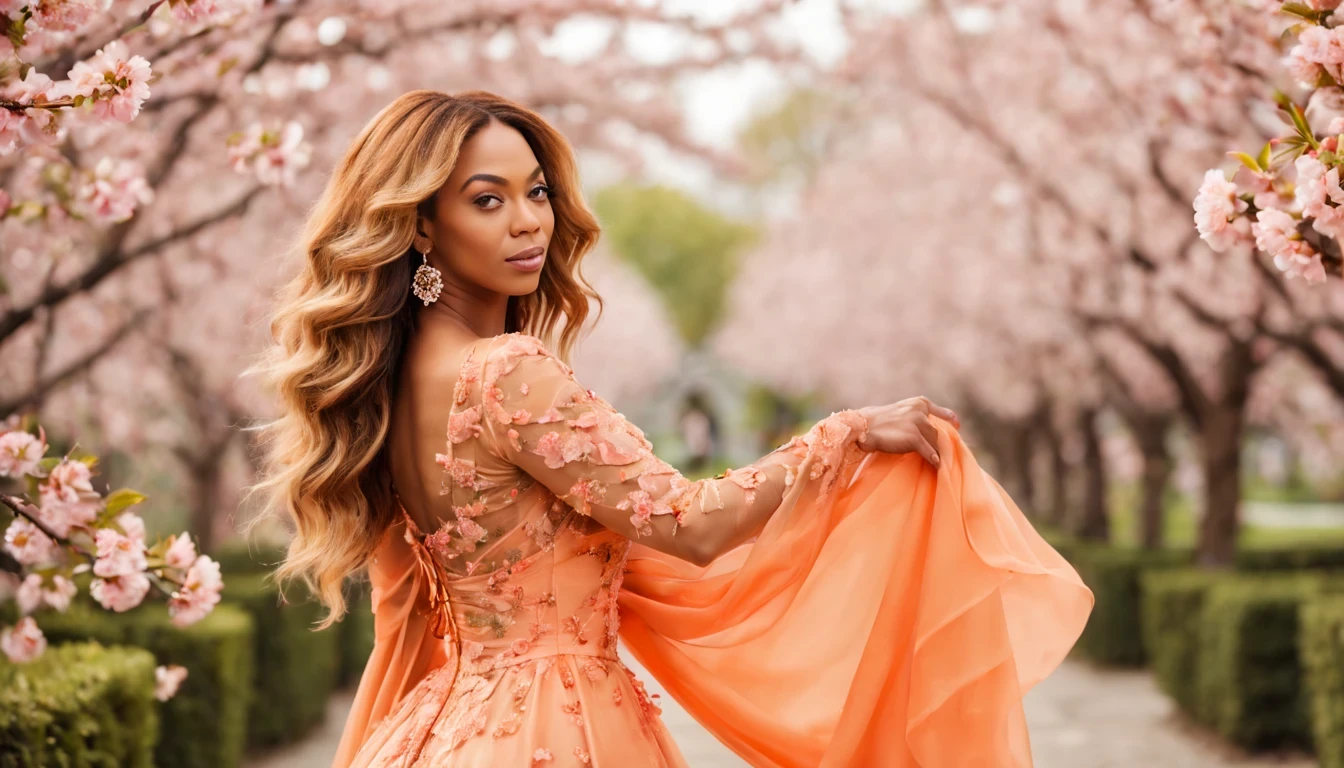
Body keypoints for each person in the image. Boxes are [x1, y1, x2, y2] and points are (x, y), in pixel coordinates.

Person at [246, 89, 1093, 768]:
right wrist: (844, 436)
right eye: (486, 199)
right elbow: (690, 526)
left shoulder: (388, 389)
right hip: (558, 729)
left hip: (440, 729)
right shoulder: (502, 372)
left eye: (536, 191)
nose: (528, 220)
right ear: (422, 225)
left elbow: (406, 615)